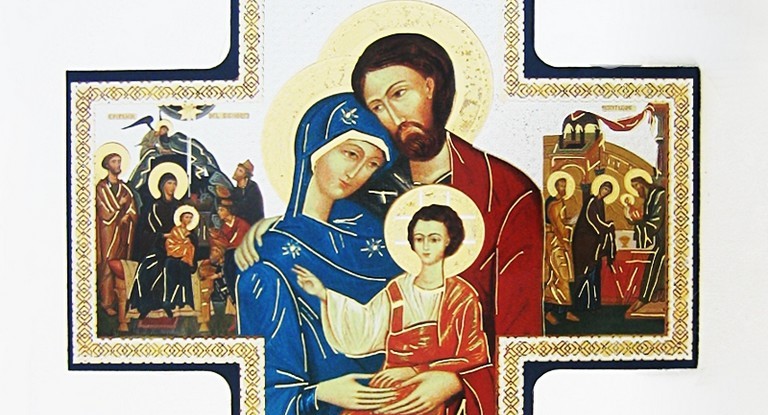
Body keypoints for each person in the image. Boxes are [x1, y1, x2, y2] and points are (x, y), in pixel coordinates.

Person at [236, 93, 406, 415]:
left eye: (372, 164)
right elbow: (266, 392)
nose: (357, 172)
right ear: (315, 147)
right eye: (350, 153)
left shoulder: (381, 238)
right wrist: (321, 393)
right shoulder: (269, 257)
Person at [294, 204, 493, 415]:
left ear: (448, 240)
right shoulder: (397, 290)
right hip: (388, 387)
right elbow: (365, 327)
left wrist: (415, 370)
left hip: (429, 392)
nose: (426, 246)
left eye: (434, 239)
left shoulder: (461, 296)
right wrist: (324, 294)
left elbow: (475, 356)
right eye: (419, 239)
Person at [95, 153, 138, 317]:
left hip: (122, 232)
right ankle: (106, 302)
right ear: (107, 165)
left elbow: (132, 208)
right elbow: (103, 211)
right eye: (114, 162)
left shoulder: (124, 188)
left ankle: (122, 300)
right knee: (107, 263)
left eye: (119, 161)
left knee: (122, 264)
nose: (118, 164)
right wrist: (119, 206)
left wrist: (128, 215)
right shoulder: (101, 188)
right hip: (107, 232)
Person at [571, 179, 617, 311]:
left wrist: (606, 227)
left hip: (594, 243)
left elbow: (598, 222)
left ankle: (592, 304)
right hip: (584, 242)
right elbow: (592, 219)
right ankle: (579, 304)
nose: (605, 192)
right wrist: (607, 226)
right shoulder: (592, 201)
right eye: (604, 189)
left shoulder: (600, 203)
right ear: (600, 188)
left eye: (608, 191)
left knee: (594, 270)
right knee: (585, 270)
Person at [624, 175, 666, 318]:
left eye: (636, 186)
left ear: (642, 184)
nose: (636, 191)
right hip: (659, 240)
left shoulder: (659, 195)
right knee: (654, 264)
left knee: (656, 264)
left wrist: (638, 222)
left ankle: (645, 298)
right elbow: (647, 220)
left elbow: (655, 222)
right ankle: (646, 297)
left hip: (664, 239)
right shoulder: (650, 198)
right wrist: (633, 220)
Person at [543, 176, 578, 325]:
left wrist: (568, 222)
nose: (563, 189)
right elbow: (557, 225)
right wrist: (565, 240)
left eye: (565, 186)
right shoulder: (554, 203)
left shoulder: (559, 202)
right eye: (561, 186)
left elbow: (560, 222)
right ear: (556, 187)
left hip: (558, 240)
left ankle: (564, 311)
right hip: (555, 242)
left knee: (560, 276)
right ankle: (549, 312)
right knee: (559, 276)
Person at [230, 159, 265, 225]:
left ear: (245, 175)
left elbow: (246, 206)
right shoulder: (237, 190)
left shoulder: (252, 187)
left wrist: (231, 203)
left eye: (240, 171)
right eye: (237, 169)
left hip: (254, 224)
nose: (236, 172)